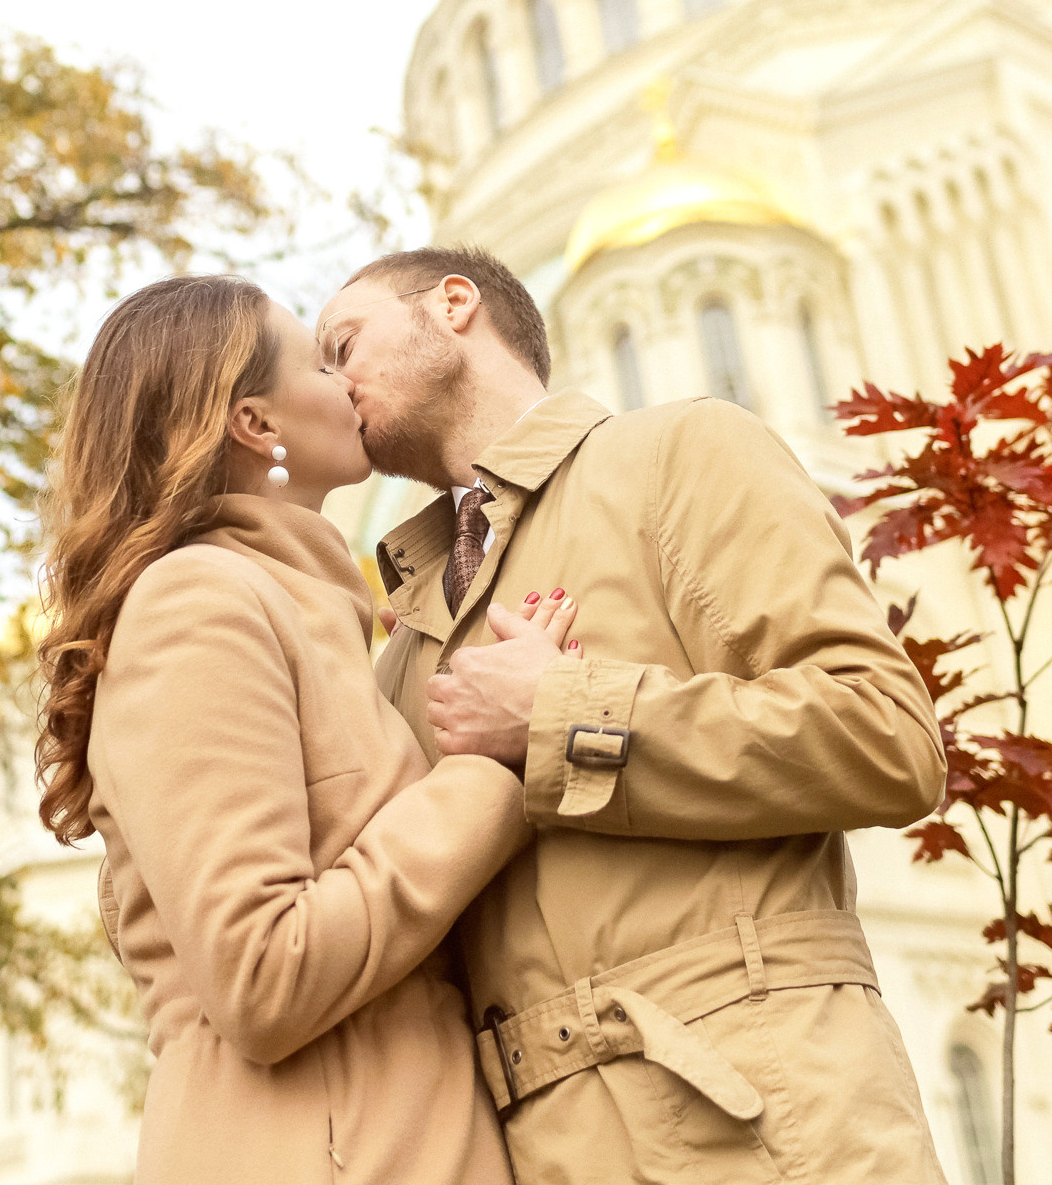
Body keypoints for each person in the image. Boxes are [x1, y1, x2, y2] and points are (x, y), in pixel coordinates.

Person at [314, 247, 950, 1185]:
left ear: (454, 305)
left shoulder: (681, 452)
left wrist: (557, 713)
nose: (331, 388)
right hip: (540, 1152)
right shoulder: (401, 644)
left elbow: (886, 736)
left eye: (343, 345)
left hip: (774, 1123)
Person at [33, 274, 577, 1185]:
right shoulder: (198, 602)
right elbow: (261, 971)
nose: (347, 379)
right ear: (256, 424)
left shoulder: (306, 612)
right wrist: (493, 768)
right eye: (322, 363)